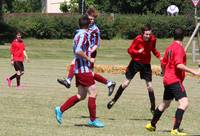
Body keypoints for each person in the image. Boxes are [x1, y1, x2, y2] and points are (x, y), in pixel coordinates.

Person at [145, 28, 200, 135]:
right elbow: (178, 65)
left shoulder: (169, 48)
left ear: (173, 36)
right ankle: (175, 130)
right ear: (183, 37)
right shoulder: (179, 48)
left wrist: (165, 73)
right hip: (174, 80)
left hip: (167, 79)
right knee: (184, 103)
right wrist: (194, 71)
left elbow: (163, 63)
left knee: (165, 103)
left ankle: (151, 125)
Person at [55, 16, 104, 128]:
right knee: (93, 93)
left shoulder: (77, 34)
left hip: (79, 69)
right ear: (88, 26)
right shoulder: (83, 35)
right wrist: (89, 59)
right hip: (84, 69)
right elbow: (78, 51)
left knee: (81, 95)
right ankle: (92, 120)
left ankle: (60, 109)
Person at [57, 7, 116, 96]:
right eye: (89, 19)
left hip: (90, 53)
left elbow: (97, 44)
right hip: (84, 52)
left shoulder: (95, 30)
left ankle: (109, 83)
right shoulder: (85, 27)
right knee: (78, 65)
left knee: (85, 71)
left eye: (92, 19)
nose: (91, 21)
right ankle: (109, 83)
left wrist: (90, 51)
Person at [107, 25, 162, 114]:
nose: (148, 36)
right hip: (135, 63)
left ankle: (152, 108)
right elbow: (129, 50)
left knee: (150, 87)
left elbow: (153, 49)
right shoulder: (138, 39)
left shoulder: (153, 39)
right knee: (125, 84)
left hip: (146, 64)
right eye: (146, 34)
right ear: (142, 33)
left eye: (149, 34)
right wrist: (137, 52)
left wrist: (159, 57)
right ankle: (113, 100)